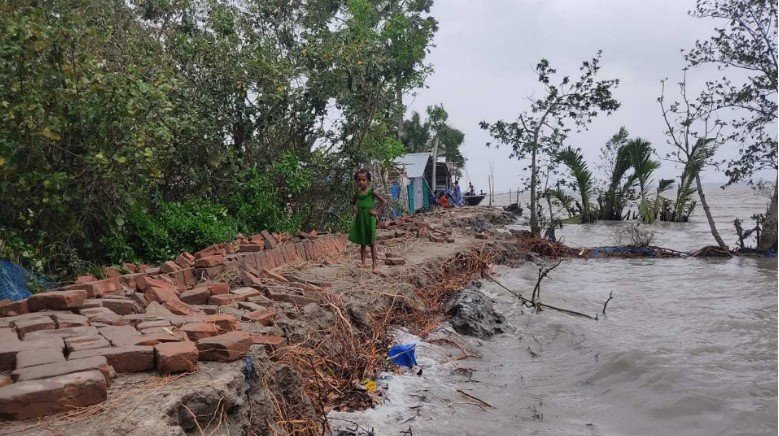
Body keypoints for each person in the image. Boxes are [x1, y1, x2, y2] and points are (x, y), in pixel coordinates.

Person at [349, 169, 387, 273]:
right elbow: (352, 203)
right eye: (359, 180)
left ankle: (374, 266)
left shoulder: (372, 192)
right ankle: (363, 263)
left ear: (368, 181)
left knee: (372, 242)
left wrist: (377, 212)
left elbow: (384, 201)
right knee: (363, 241)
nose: (361, 182)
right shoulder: (357, 193)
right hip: (360, 219)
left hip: (369, 219)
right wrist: (354, 208)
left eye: (363, 180)